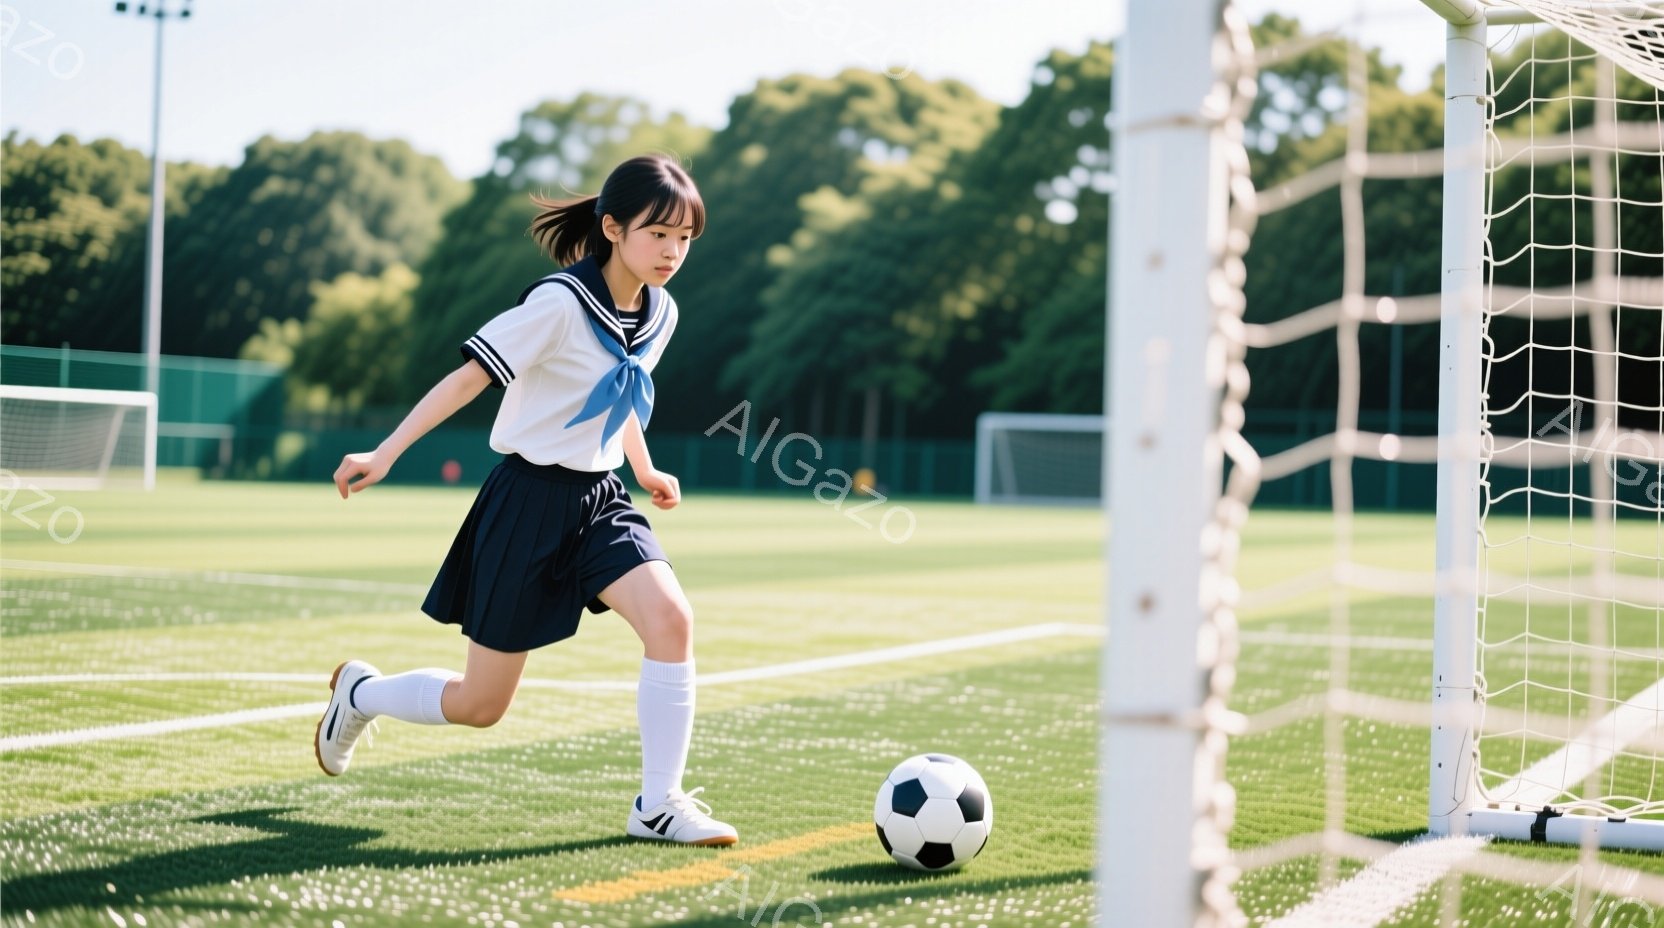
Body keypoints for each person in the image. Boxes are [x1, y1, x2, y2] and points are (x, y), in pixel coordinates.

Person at [314, 153, 737, 847]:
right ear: (612, 228)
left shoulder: (661, 313)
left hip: (600, 500)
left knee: (672, 619)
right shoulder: (558, 305)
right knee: (481, 704)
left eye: (684, 237)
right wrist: (384, 452)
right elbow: (469, 379)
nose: (672, 251)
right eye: (658, 233)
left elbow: (620, 389)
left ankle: (657, 805)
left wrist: (644, 467)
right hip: (527, 501)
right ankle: (360, 694)